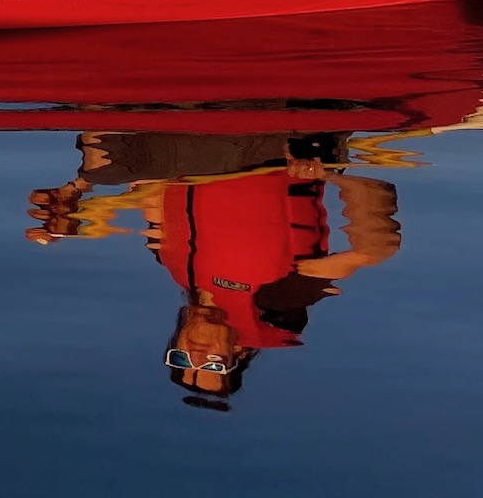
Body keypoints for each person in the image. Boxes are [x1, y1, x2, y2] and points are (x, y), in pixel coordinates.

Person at [25, 131, 401, 408]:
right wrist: (328, 175)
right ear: (237, 351)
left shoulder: (171, 264)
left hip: (189, 144)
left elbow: (150, 191)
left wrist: (74, 208)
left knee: (103, 162)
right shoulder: (277, 302)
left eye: (182, 358)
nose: (198, 352)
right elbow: (374, 249)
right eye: (213, 363)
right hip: (270, 144)